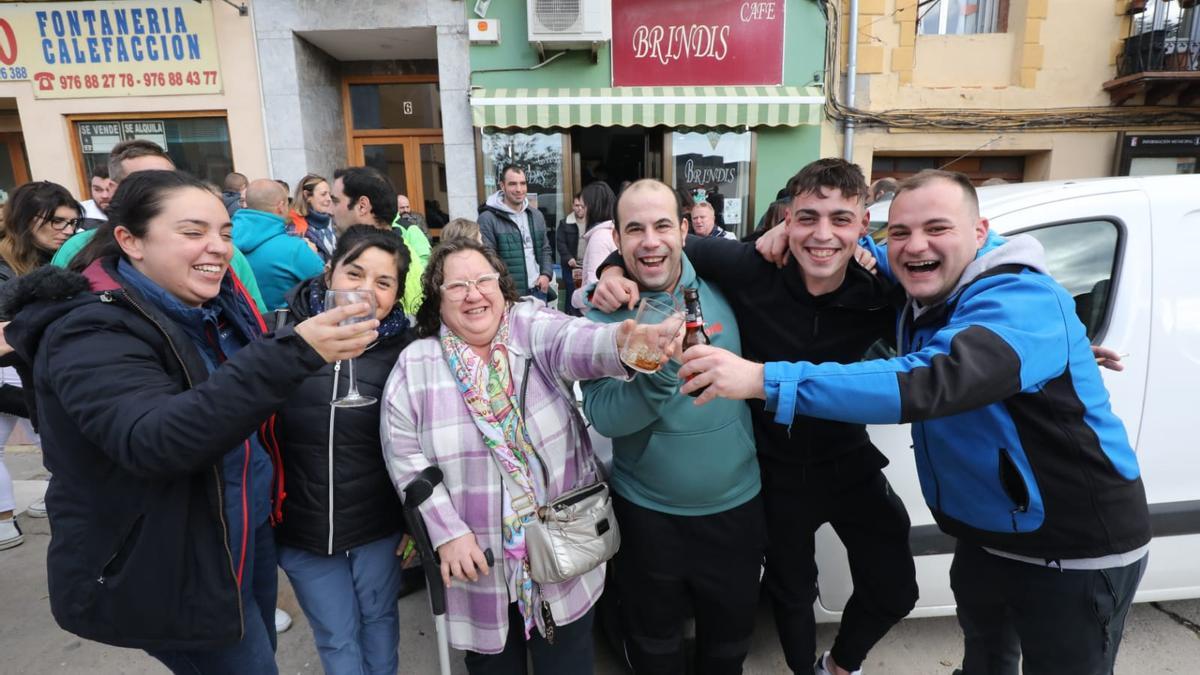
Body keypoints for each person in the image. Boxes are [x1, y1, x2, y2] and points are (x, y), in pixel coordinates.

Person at [678, 169, 1151, 675]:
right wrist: (617, 272)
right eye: (900, 232)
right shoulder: (913, 284)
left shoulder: (1016, 299)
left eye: (938, 228)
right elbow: (673, 245)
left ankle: (840, 663)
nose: (914, 245)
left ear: (979, 232)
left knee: (905, 592)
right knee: (983, 660)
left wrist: (763, 380)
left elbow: (932, 378)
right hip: (987, 533)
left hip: (1070, 545)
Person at [1, 170, 378, 673]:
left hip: (242, 531)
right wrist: (293, 353)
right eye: (193, 231)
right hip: (174, 555)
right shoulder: (90, 328)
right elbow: (153, 439)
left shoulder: (209, 306)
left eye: (224, 232)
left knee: (258, 649)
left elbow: (241, 407)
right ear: (130, 240)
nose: (219, 247)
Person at [591, 159, 918, 675]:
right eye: (808, 218)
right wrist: (608, 272)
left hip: (835, 462)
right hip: (767, 473)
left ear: (862, 225)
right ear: (787, 219)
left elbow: (950, 293)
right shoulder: (748, 269)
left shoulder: (880, 293)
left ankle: (839, 665)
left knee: (894, 586)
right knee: (787, 595)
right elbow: (653, 245)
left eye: (841, 220)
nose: (823, 235)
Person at [380, 238, 644, 675]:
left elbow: (571, 339)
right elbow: (403, 454)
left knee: (569, 665)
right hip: (477, 566)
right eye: (457, 285)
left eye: (484, 280)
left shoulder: (527, 325)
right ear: (437, 299)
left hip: (564, 552)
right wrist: (447, 532)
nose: (473, 293)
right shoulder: (416, 364)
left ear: (502, 287)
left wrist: (624, 342)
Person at [581, 178, 765, 675]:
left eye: (663, 224)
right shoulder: (605, 313)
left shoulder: (727, 284)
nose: (651, 240)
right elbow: (603, 414)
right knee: (654, 649)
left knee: (727, 652)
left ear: (684, 229)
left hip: (736, 510)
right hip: (648, 516)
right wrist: (662, 371)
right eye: (634, 229)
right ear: (616, 240)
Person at [274, 226, 415, 675]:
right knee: (336, 636)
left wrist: (416, 521)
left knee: (379, 620)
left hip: (378, 526)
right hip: (303, 529)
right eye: (354, 273)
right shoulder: (280, 334)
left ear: (396, 293)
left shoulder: (407, 352)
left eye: (383, 282)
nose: (365, 291)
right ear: (330, 270)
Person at [50, 140, 268, 314]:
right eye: (144, 182)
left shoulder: (228, 253)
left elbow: (254, 318)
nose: (218, 247)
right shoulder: (78, 249)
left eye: (171, 180)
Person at [0, 181, 83, 543]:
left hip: (46, 370)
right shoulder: (5, 266)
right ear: (25, 220)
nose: (67, 231)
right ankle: (4, 519)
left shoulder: (67, 258)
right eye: (57, 222)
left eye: (72, 223)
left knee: (60, 446)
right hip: (11, 371)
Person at [331, 167, 425, 316]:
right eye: (354, 274)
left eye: (335, 201)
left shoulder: (399, 259)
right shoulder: (401, 252)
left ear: (362, 205)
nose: (330, 210)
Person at [232, 179, 325, 311]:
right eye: (288, 204)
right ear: (281, 206)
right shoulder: (295, 249)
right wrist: (313, 254)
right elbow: (325, 285)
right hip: (286, 328)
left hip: (246, 326)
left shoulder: (227, 240)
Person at [477, 165, 554, 303]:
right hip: (508, 295)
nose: (519, 189)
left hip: (537, 290)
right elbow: (488, 259)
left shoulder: (536, 215)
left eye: (523, 183)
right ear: (502, 186)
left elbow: (545, 249)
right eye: (512, 184)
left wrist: (546, 275)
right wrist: (504, 289)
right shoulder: (488, 218)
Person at [570, 182, 617, 312]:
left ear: (593, 208)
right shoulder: (614, 233)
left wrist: (574, 297)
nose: (580, 211)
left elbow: (594, 290)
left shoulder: (600, 237)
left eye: (584, 206)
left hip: (597, 319)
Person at [292, 174, 338, 261]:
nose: (329, 199)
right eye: (323, 194)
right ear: (307, 196)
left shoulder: (335, 221)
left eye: (329, 194)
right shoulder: (295, 227)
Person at [79, 164, 116, 230]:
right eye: (97, 189)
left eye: (109, 190)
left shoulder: (133, 212)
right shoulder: (79, 212)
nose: (104, 196)